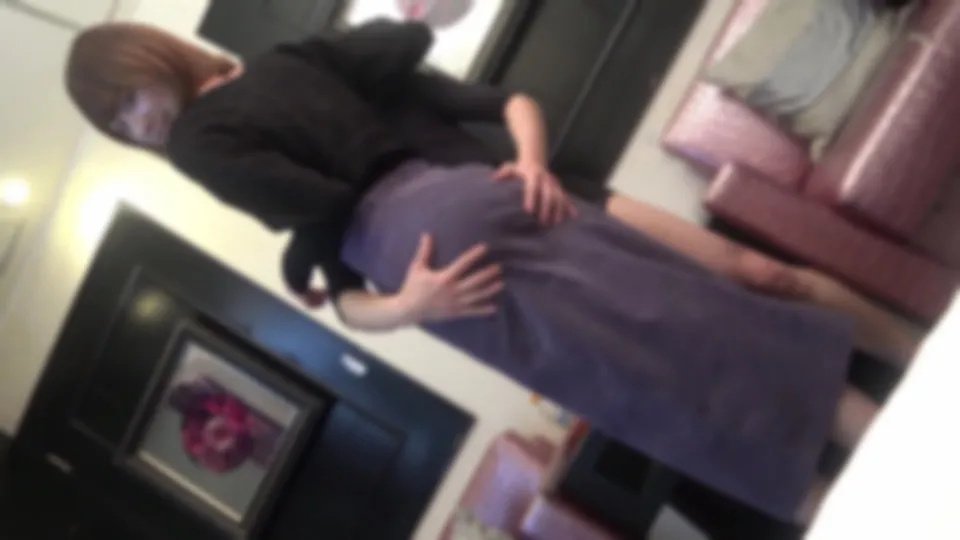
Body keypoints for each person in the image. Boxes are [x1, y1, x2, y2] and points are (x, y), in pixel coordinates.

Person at [65, 20, 920, 524]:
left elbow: (506, 101)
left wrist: (534, 164)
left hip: (550, 198)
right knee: (681, 380)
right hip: (480, 258)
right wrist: (404, 303)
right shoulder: (289, 141)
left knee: (754, 284)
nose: (137, 124)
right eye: (118, 124)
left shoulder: (300, 84)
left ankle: (917, 358)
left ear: (154, 60)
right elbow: (343, 289)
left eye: (129, 100)